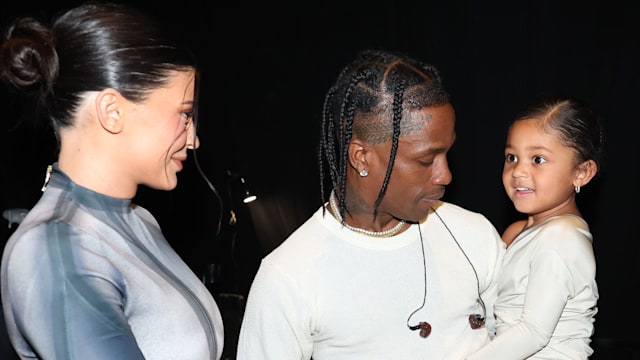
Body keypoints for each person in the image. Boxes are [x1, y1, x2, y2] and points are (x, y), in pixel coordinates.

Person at [236, 49, 505, 359]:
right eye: (425, 160)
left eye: (446, 153)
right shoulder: (287, 277)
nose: (445, 175)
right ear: (362, 157)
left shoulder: (474, 235)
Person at [0, 2, 224, 359]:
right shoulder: (54, 250)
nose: (193, 139)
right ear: (112, 111)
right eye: (184, 114)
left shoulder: (140, 220)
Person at [466, 96, 603, 359]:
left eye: (538, 159)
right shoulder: (516, 232)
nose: (518, 171)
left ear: (582, 173)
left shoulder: (562, 237)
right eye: (512, 157)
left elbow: (533, 333)